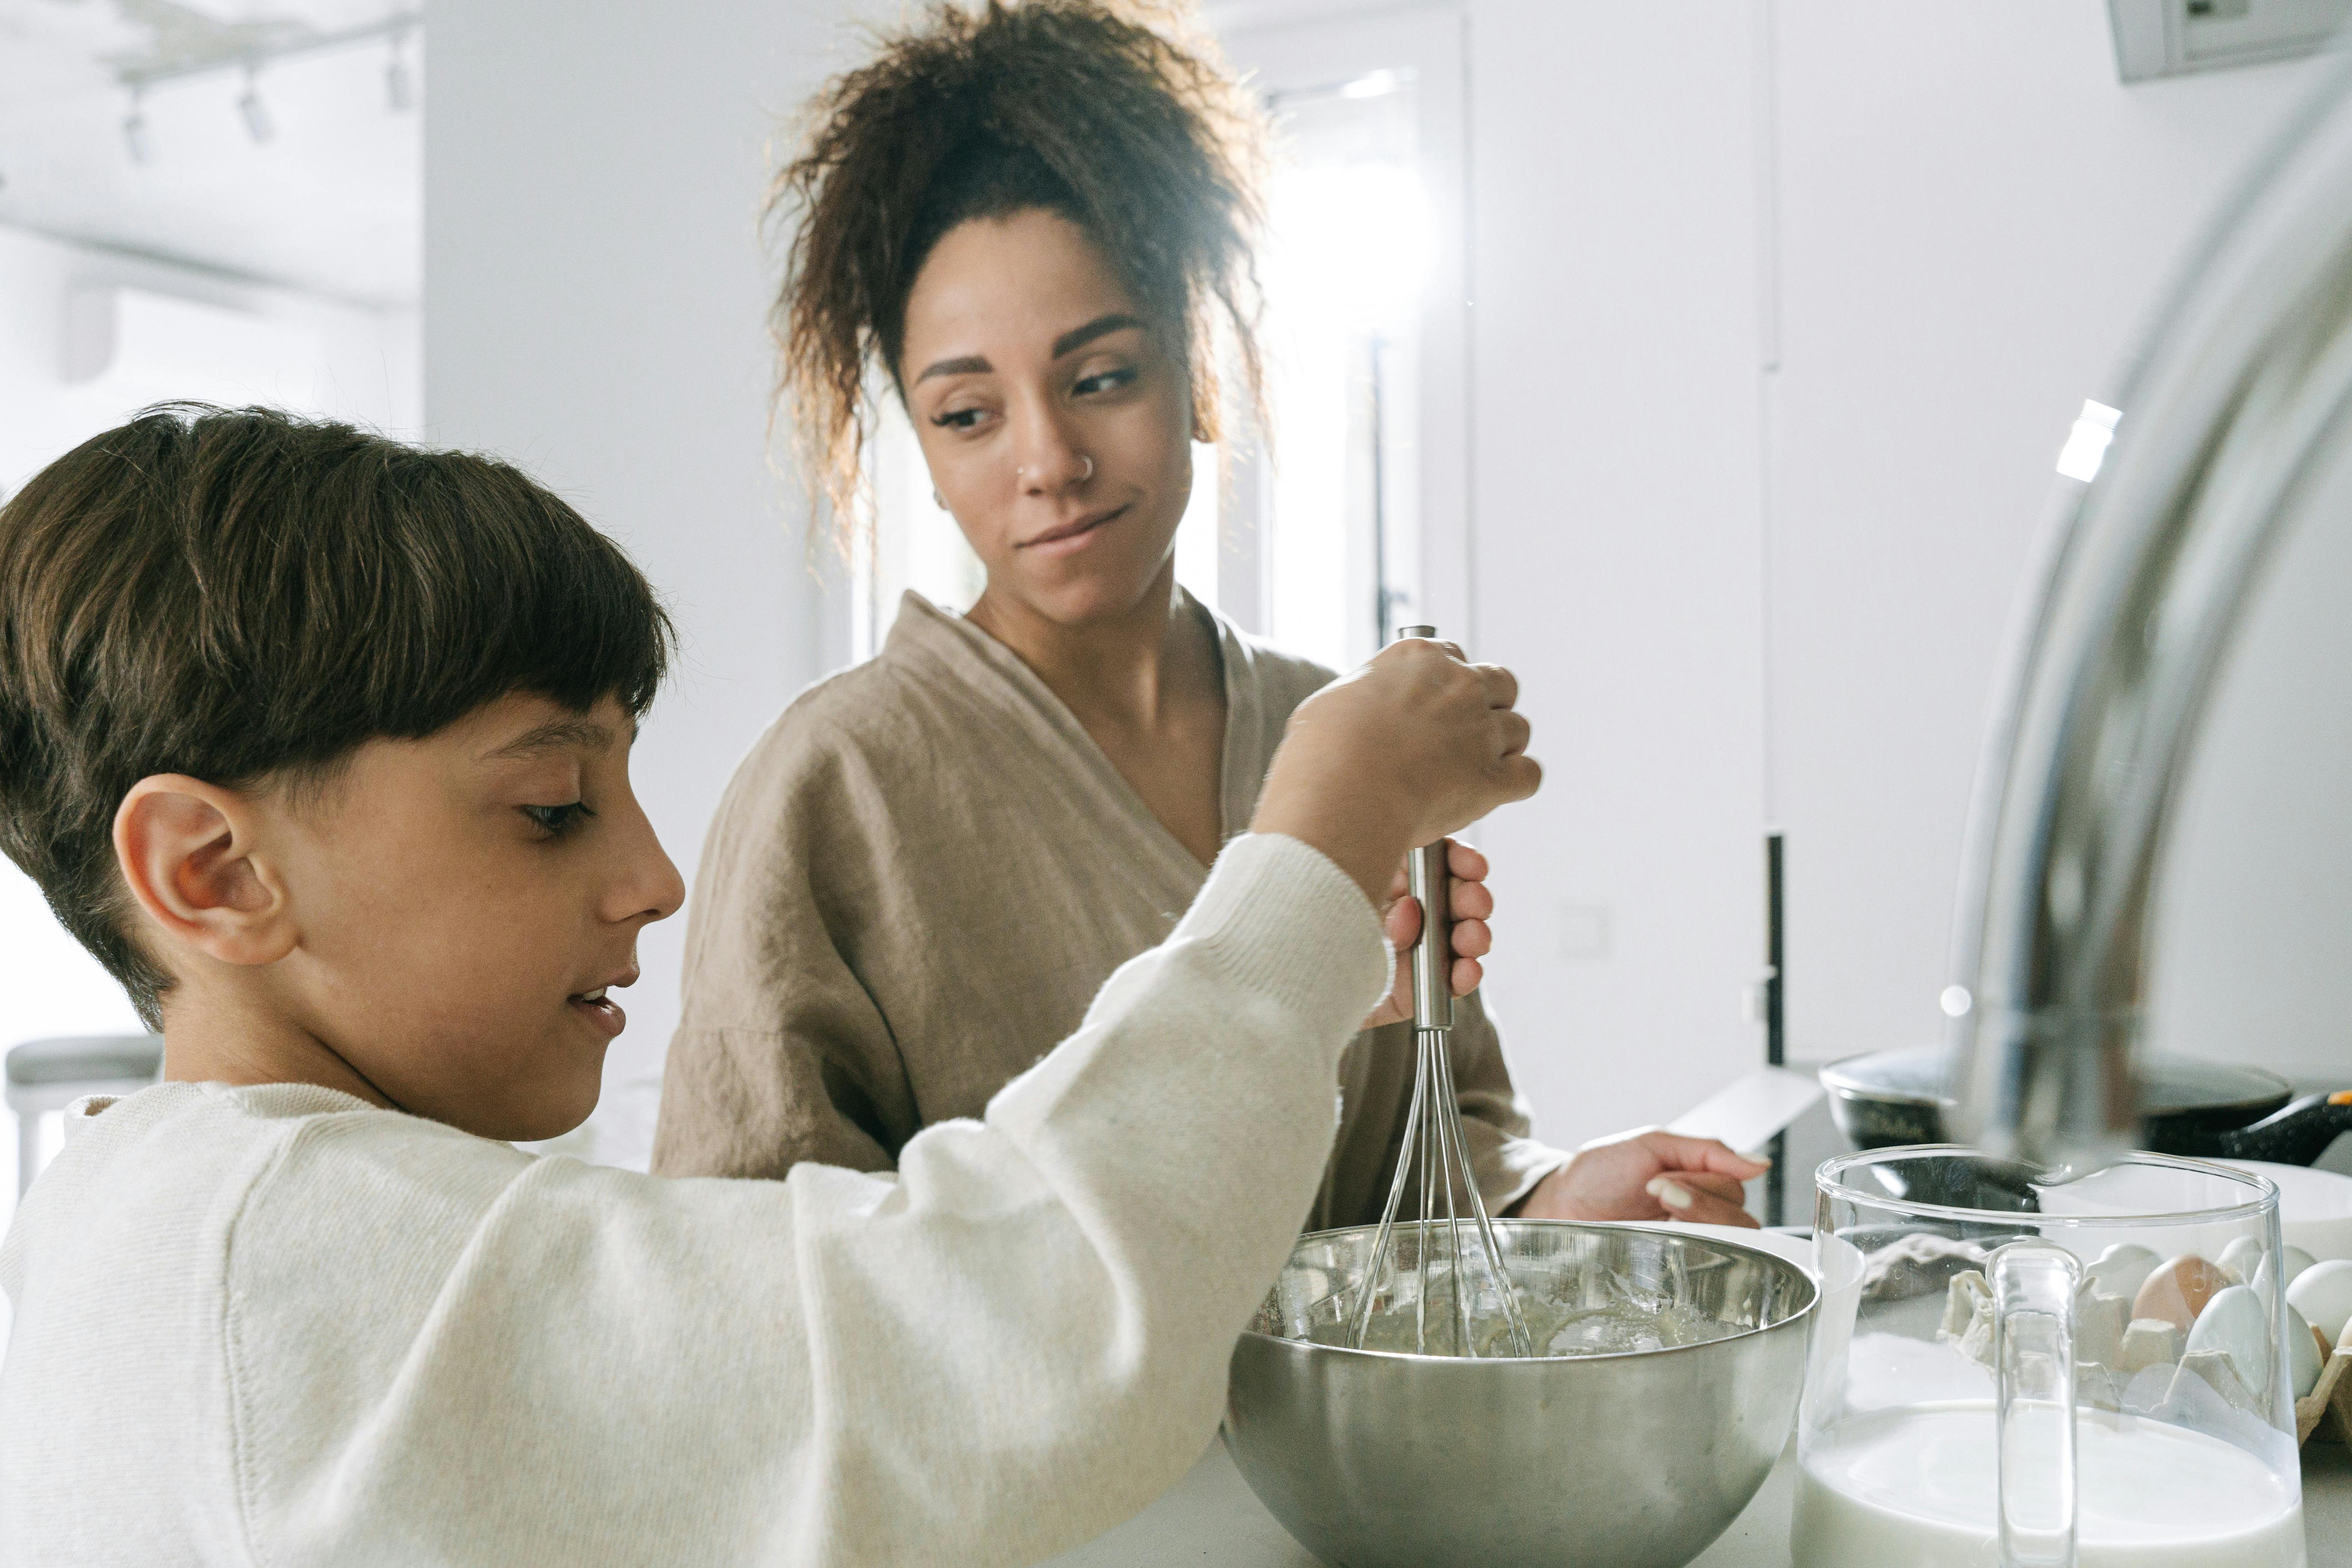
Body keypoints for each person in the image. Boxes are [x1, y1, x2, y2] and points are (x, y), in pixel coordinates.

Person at [0, 405, 1534, 1565]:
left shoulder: (144, 1216)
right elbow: (1005, 1331)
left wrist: (1321, 977)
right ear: (212, 871)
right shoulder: (294, 1261)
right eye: (550, 806)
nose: (658, 876)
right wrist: (1314, 853)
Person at [651, 0, 1763, 1227]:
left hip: (1352, 1429)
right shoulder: (831, 789)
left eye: (1103, 377)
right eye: (970, 413)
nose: (1050, 459)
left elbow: (1433, 1163)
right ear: (920, 442)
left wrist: (1550, 1201)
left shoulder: (1330, 737)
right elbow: (748, 1287)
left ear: (1202, 369)